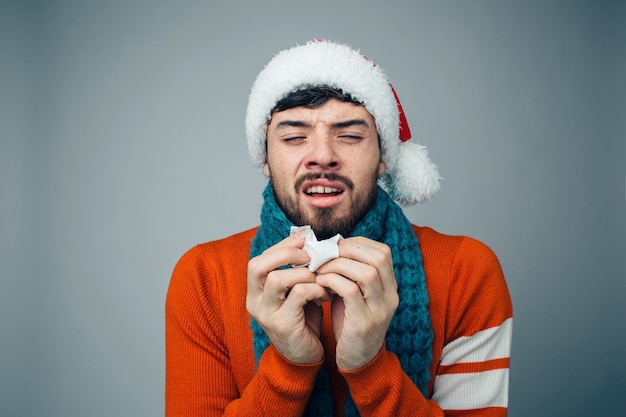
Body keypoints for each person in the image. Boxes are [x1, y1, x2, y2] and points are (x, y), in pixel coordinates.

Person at [165, 40, 513, 417]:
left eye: (349, 135)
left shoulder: (467, 271)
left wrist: (370, 367)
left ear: (384, 157)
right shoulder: (203, 277)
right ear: (265, 158)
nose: (323, 155)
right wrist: (289, 366)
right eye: (294, 136)